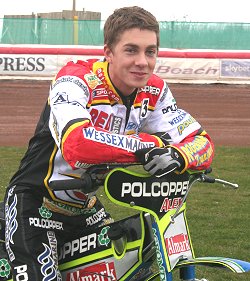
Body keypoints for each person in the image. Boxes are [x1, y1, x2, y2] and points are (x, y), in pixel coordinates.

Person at [4, 6, 214, 280]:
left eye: (150, 51)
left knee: (131, 269)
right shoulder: (74, 79)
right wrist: (148, 145)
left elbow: (201, 141)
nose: (142, 61)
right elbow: (76, 144)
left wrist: (177, 155)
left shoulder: (155, 91)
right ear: (108, 52)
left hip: (86, 208)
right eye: (131, 50)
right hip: (34, 202)